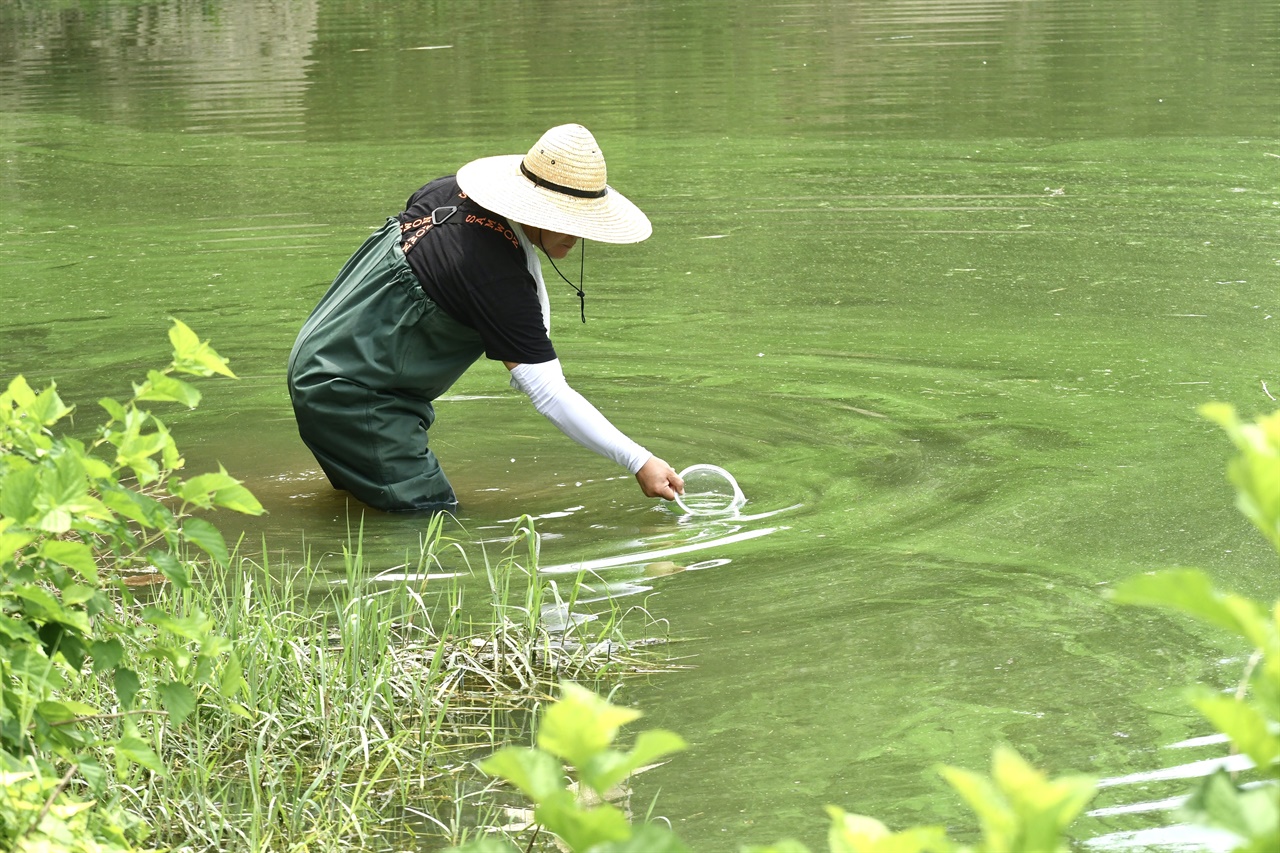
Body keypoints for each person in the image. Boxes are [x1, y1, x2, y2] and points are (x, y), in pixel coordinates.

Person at [287, 124, 684, 512]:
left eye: (583, 219)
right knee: (430, 523)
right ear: (533, 206)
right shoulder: (495, 277)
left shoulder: (446, 192)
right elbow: (549, 393)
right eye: (567, 218)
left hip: (321, 356)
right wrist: (639, 461)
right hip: (353, 398)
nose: (576, 234)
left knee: (360, 507)